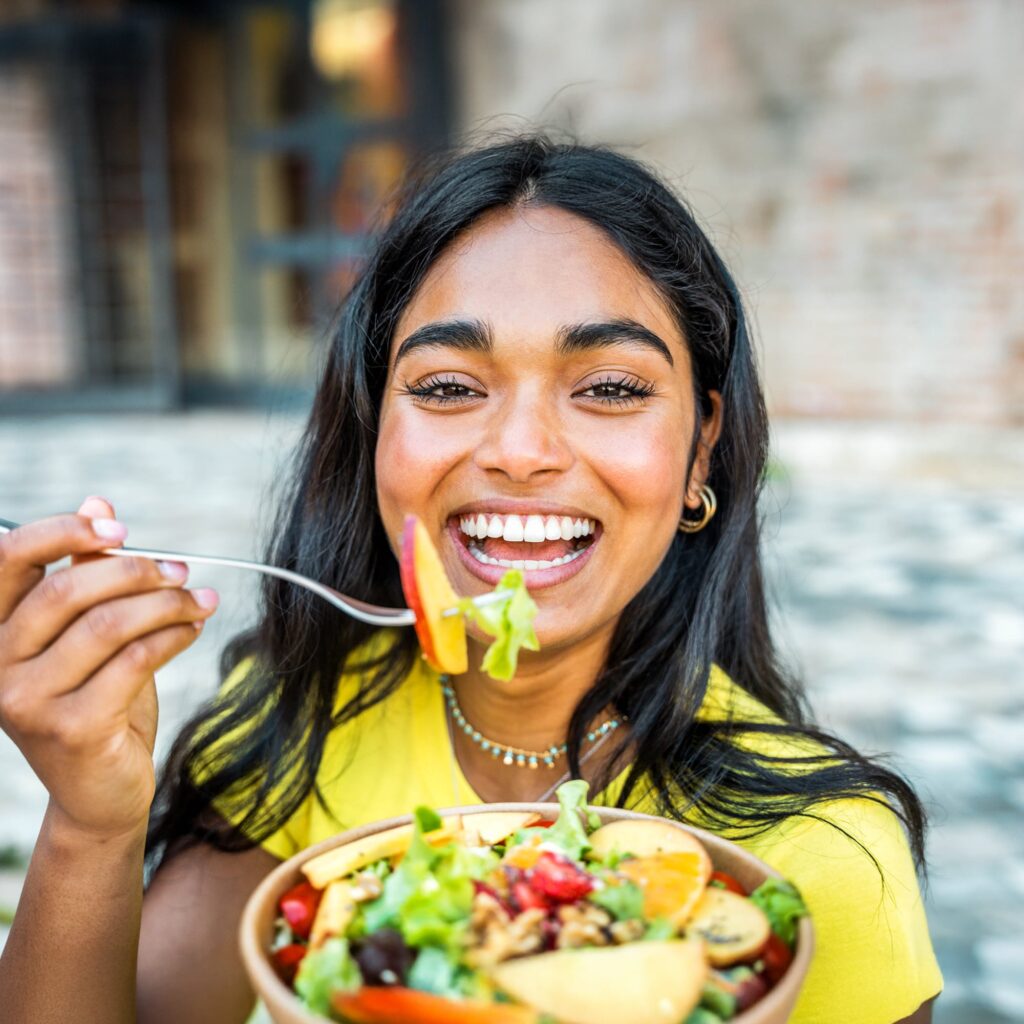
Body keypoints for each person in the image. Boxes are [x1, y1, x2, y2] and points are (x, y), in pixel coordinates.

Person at [0, 135, 941, 1024]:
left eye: (609, 387)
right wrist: (91, 820)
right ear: (373, 438)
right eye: (449, 385)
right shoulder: (306, 717)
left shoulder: (824, 859)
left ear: (701, 451)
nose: (521, 452)